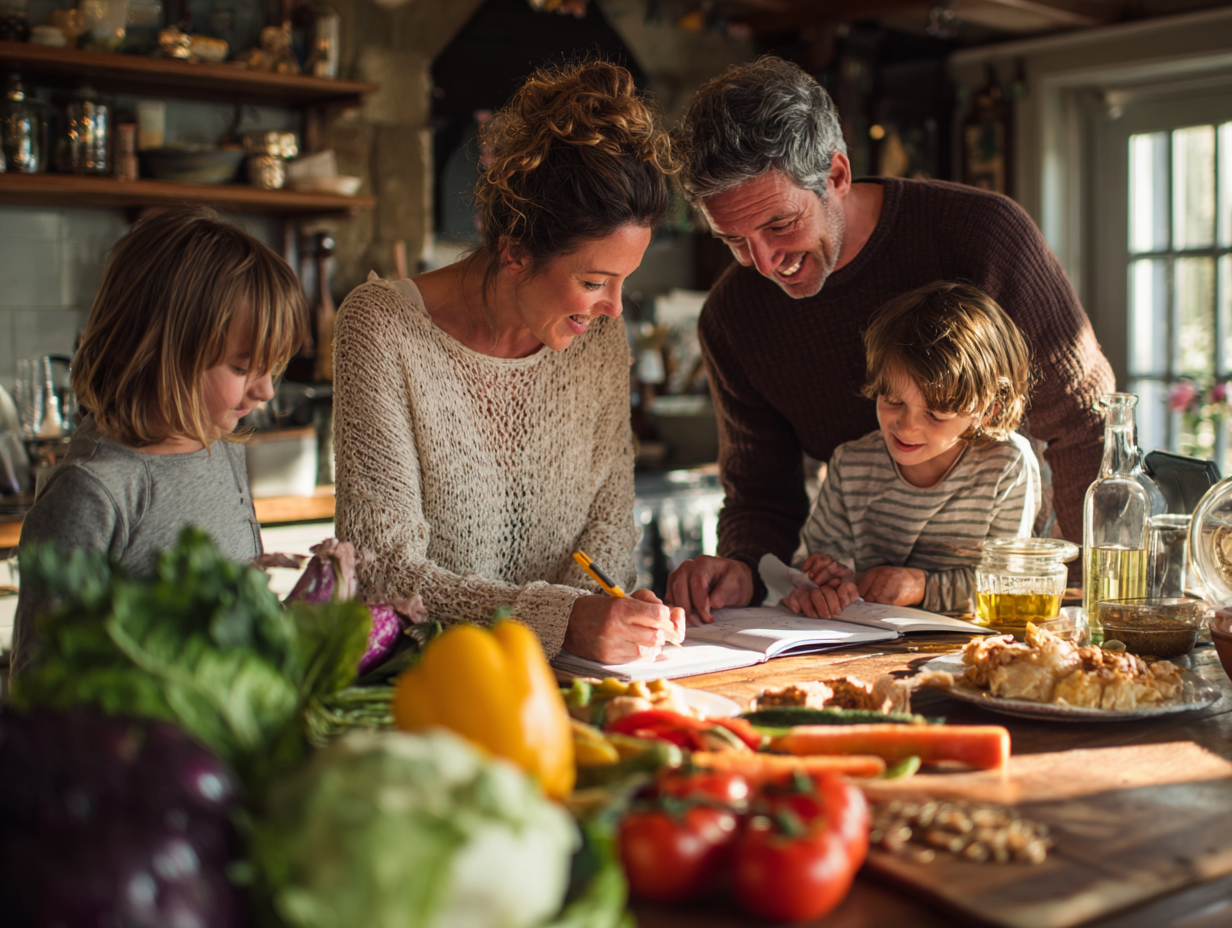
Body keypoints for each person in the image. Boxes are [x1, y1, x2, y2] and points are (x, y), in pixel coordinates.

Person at [665, 55, 1114, 622]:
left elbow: (1083, 426)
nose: (763, 263)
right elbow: (761, 495)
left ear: (837, 175)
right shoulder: (733, 317)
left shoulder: (983, 238)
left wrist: (1096, 608)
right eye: (733, 239)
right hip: (862, 622)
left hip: (999, 607)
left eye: (780, 225)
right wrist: (742, 568)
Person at [332, 60, 684, 666]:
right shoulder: (382, 328)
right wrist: (564, 622)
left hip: (570, 689)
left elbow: (608, 535)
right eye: (595, 280)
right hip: (427, 693)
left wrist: (613, 616)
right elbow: (384, 576)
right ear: (516, 251)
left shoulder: (596, 343)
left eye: (624, 281)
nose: (614, 307)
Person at [11, 207, 307, 674]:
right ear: (157, 352)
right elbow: (42, 685)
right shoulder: (92, 494)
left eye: (273, 367)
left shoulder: (220, 449)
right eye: (240, 367)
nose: (266, 390)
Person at [782, 282, 1039, 619]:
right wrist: (823, 580)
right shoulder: (851, 465)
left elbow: (1009, 581)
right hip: (861, 640)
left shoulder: (1007, 465)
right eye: (892, 400)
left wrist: (921, 587)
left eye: (934, 413)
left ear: (986, 411)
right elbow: (810, 566)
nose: (906, 426)